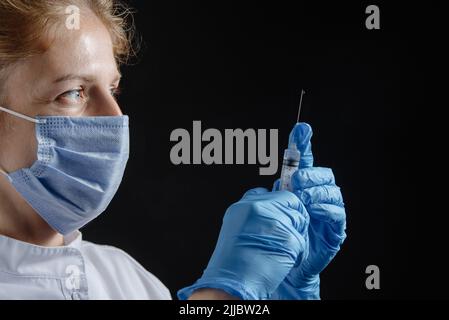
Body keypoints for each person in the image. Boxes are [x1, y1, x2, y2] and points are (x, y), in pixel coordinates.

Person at [0, 0, 346, 300]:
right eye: (73, 93)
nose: (115, 119)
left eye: (113, 90)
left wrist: (271, 294)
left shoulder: (128, 281)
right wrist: (225, 293)